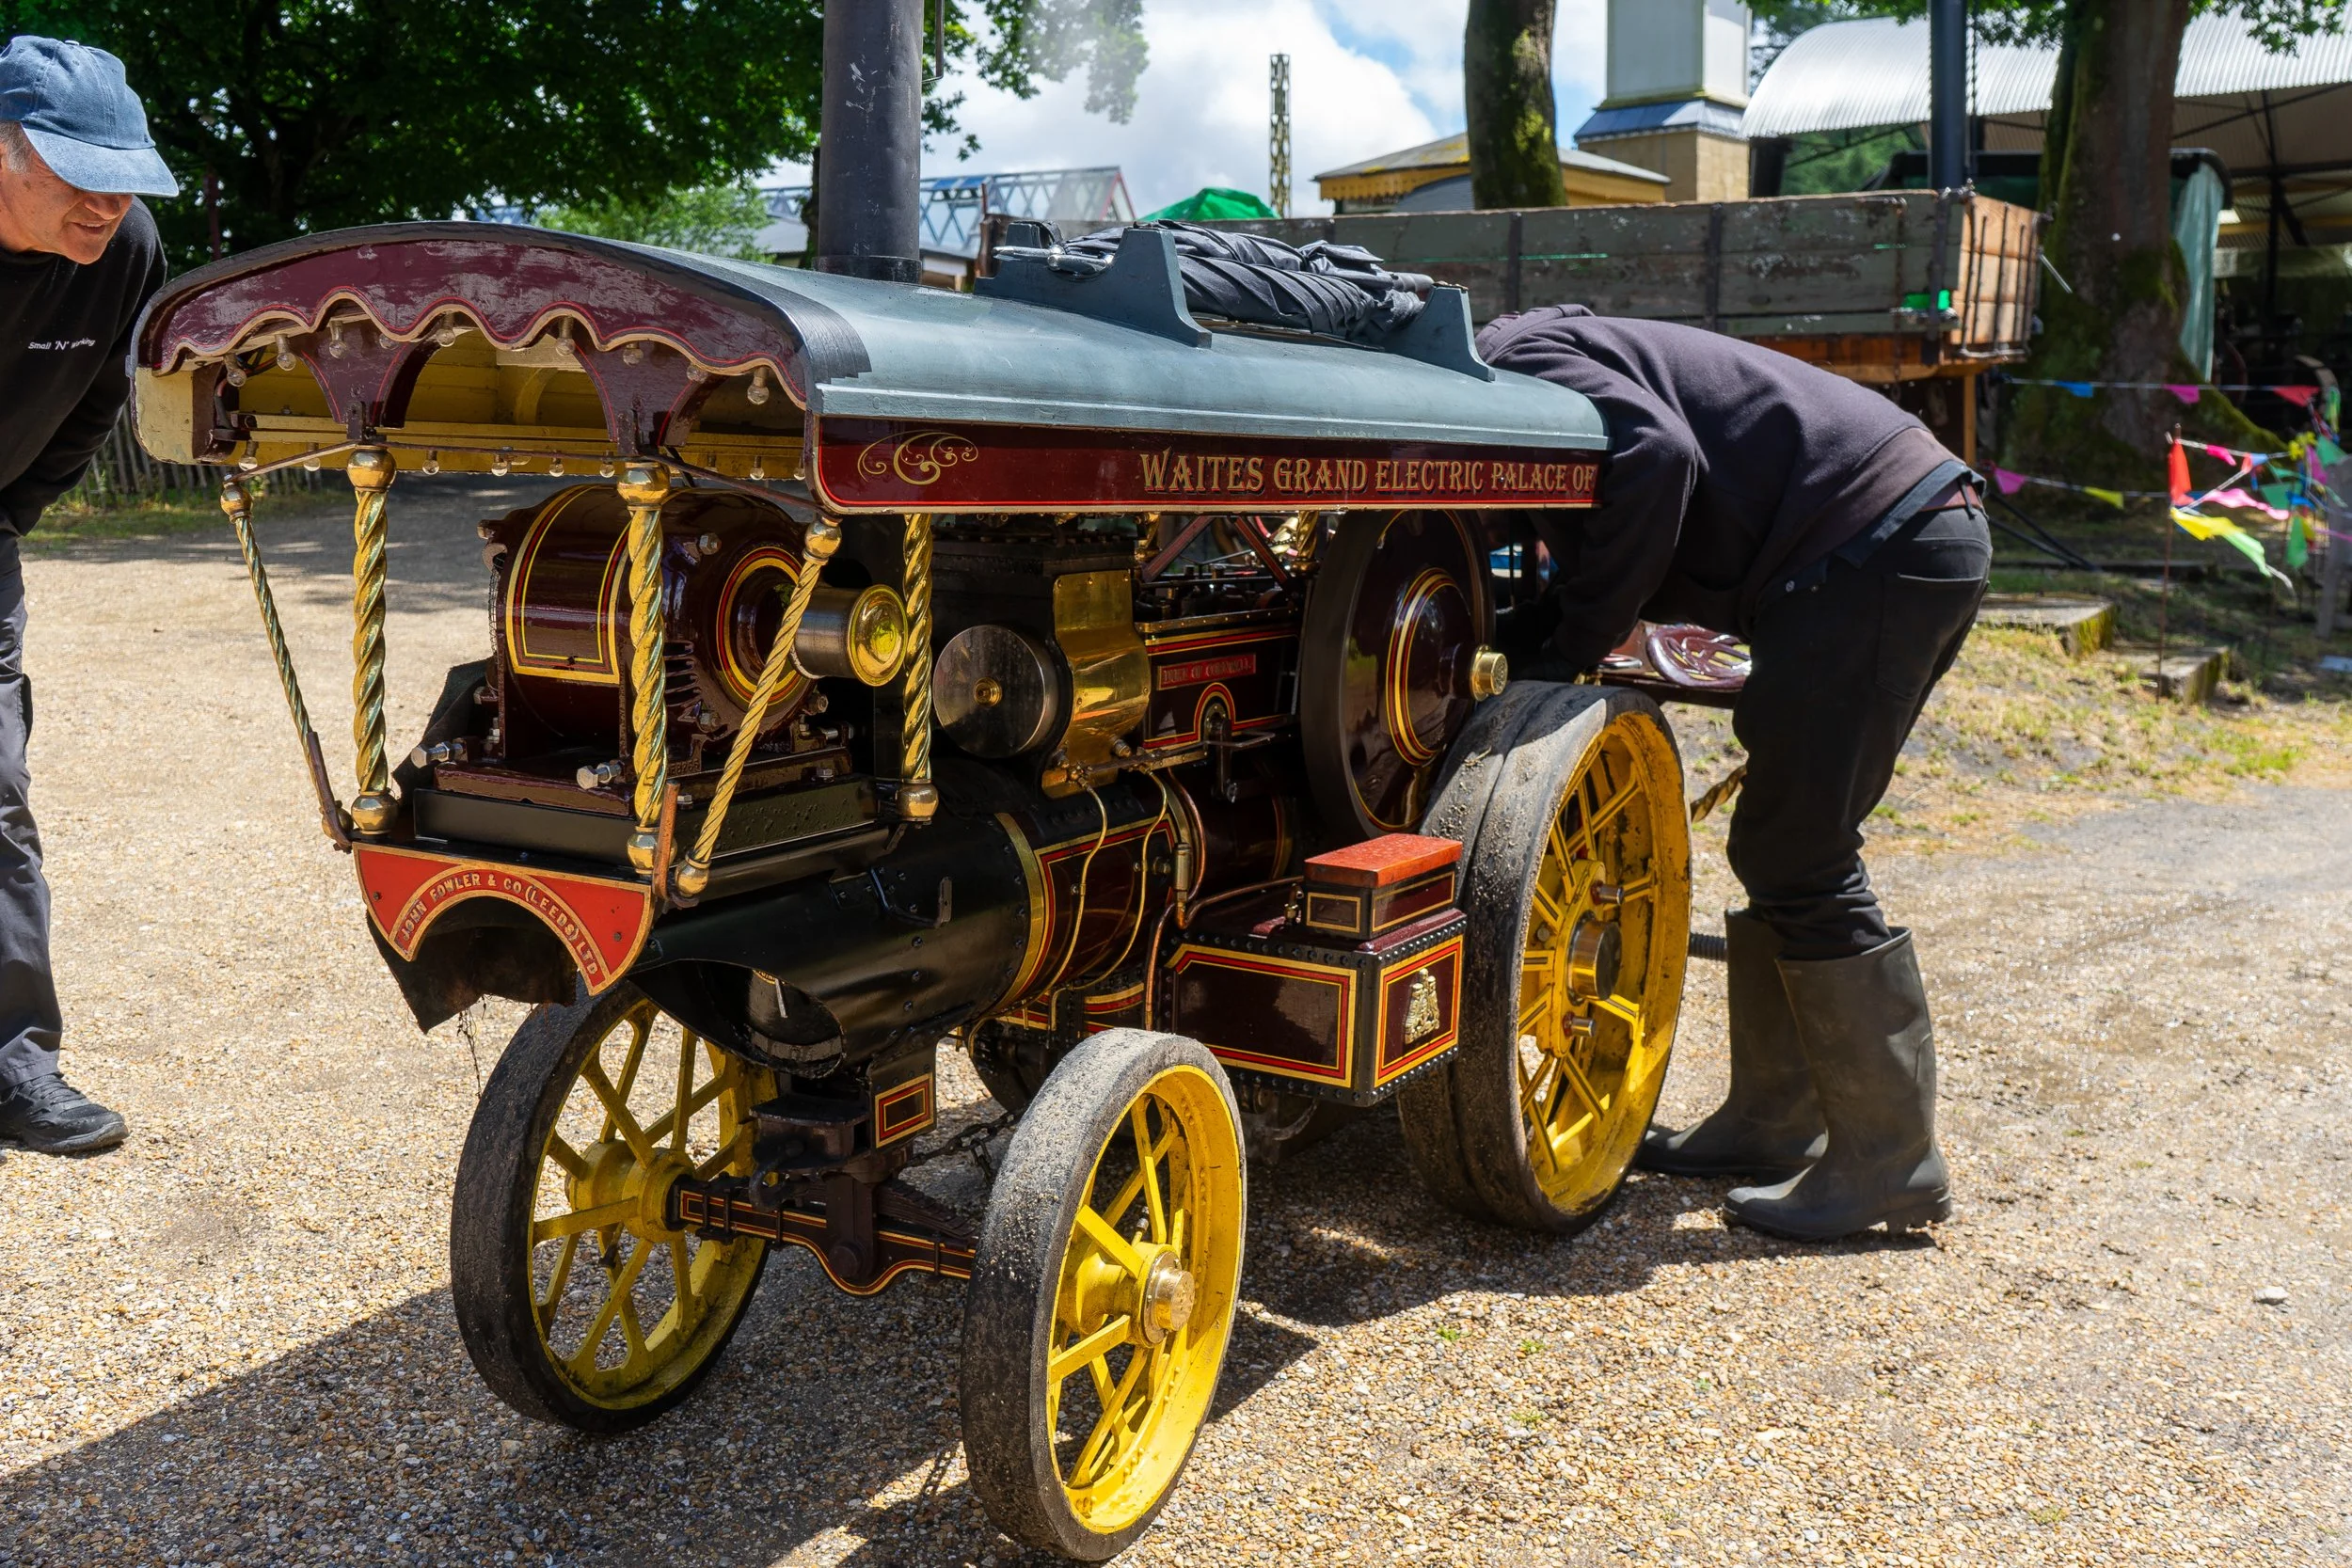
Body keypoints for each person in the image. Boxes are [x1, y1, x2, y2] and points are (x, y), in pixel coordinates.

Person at [1479, 305, 1989, 1241]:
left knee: (1797, 845)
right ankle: (1772, 1120)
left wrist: (1571, 640)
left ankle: (1889, 1160)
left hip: (1870, 544)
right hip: (1897, 534)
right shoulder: (1559, 342)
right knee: (1785, 835)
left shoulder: (1513, 358)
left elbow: (1658, 458)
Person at [0, 36, 176, 1154]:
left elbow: (95, 406)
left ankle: (15, 1069)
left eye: (126, 176)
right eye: (78, 171)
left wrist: (8, 516)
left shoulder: (126, 251)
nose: (108, 201)